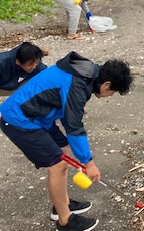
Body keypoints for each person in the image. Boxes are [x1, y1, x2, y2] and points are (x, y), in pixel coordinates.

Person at [0, 51, 133, 231]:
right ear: (107, 83)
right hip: (19, 119)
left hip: (38, 116)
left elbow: (68, 110)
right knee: (58, 164)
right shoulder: (78, 83)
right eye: (113, 92)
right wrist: (88, 162)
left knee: (64, 149)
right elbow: (74, 127)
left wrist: (75, 108)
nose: (111, 96)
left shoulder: (85, 72)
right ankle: (65, 221)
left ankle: (62, 203)